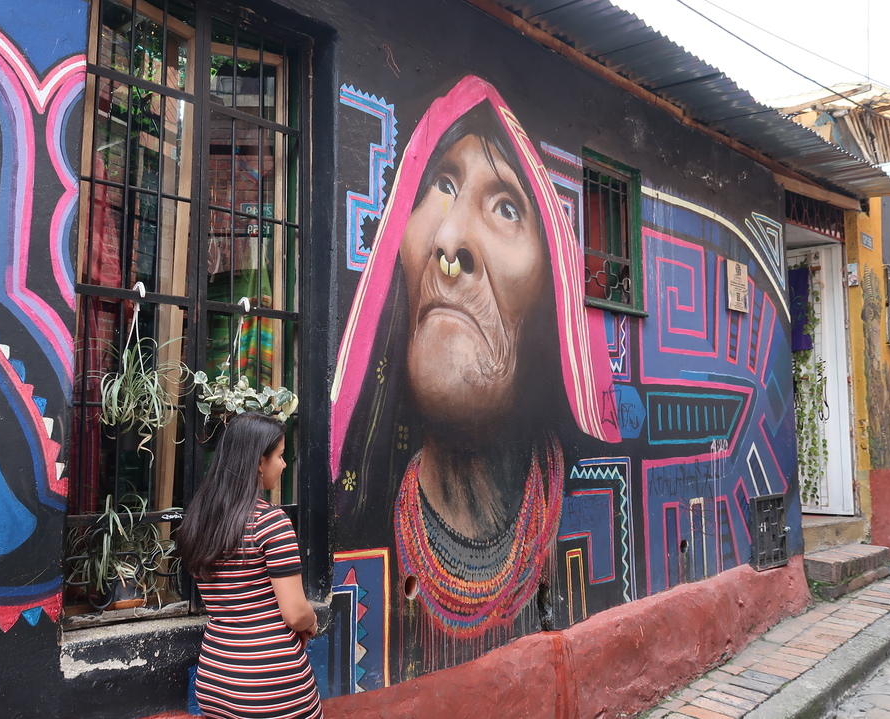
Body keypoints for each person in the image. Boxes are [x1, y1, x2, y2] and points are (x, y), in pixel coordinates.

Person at [330, 76, 619, 673]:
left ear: (550, 297)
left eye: (506, 207)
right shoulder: (348, 524)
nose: (449, 240)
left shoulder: (591, 505)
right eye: (442, 186)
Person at [180, 412, 323, 719]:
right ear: (259, 463)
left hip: (215, 679)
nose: (284, 465)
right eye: (280, 456)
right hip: (269, 686)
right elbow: (295, 613)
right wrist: (312, 621)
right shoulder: (270, 522)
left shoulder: (201, 520)